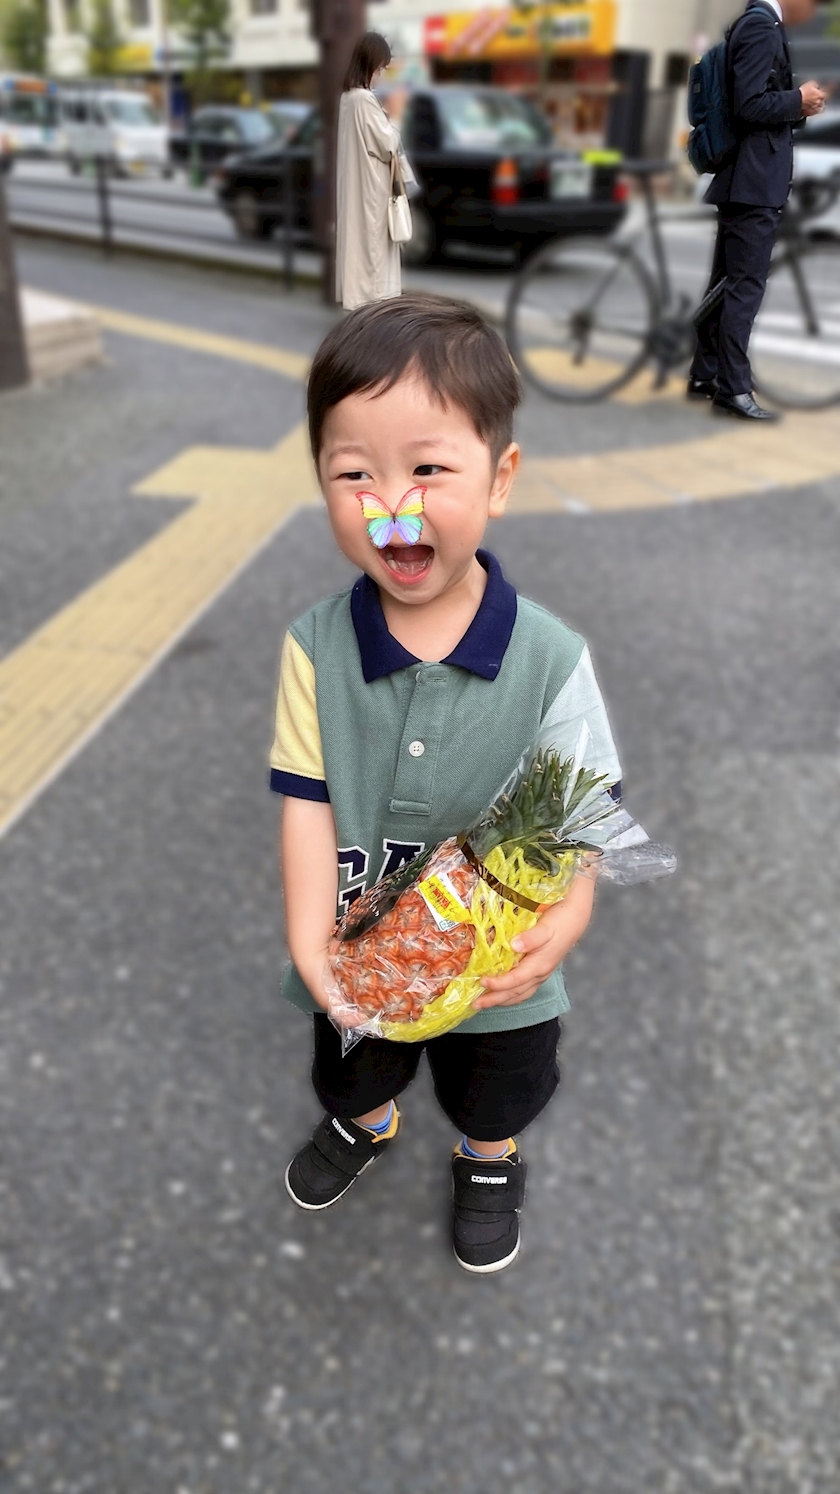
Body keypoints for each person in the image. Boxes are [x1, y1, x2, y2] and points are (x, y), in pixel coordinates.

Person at [270, 295, 624, 1274]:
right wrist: (307, 940)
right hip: (363, 948)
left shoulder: (550, 658)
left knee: (497, 1080)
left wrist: (570, 913)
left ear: (499, 477)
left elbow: (579, 813)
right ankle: (368, 1122)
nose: (393, 503)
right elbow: (306, 803)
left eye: (427, 469)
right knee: (353, 1066)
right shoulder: (315, 648)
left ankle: (488, 1154)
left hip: (498, 953)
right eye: (355, 474)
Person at [689, 0, 827, 421]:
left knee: (725, 285)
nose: (814, 10)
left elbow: (757, 100)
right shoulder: (762, 26)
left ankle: (705, 374)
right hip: (753, 183)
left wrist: (799, 106)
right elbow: (748, 104)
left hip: (746, 180)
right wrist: (797, 99)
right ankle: (733, 390)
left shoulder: (756, 24)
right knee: (743, 288)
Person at [335, 32, 415, 311]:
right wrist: (397, 115)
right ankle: (374, 315)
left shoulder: (348, 98)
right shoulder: (363, 99)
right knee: (375, 259)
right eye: (380, 68)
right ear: (369, 65)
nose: (380, 75)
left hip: (357, 189)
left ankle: (362, 310)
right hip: (372, 191)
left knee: (360, 254)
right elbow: (388, 144)